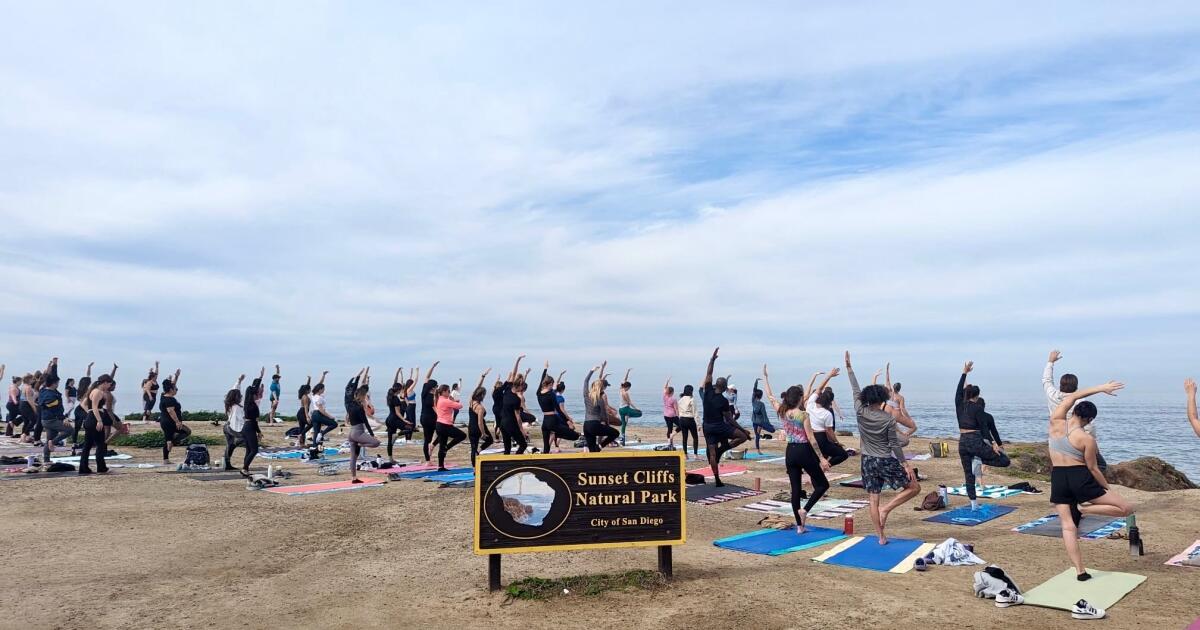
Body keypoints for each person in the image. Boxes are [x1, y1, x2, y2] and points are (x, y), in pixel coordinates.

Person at [1047, 379, 1132, 592]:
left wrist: (1100, 388)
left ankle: (1080, 571)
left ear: (1074, 411)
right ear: (1090, 419)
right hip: (1079, 478)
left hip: (1058, 477)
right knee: (1126, 509)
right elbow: (1093, 469)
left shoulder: (1055, 421)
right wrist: (1108, 490)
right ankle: (1083, 509)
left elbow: (1074, 395)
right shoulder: (1086, 439)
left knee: (1068, 527)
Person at [845, 351, 921, 544]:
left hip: (867, 460)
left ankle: (881, 537)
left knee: (873, 498)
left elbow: (854, 389)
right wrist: (905, 464)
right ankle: (886, 510)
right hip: (884, 459)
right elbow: (895, 444)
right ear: (883, 400)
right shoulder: (887, 418)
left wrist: (849, 368)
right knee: (914, 487)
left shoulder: (860, 412)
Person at [763, 365, 837, 532]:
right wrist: (822, 458)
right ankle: (805, 510)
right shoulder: (803, 415)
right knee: (822, 485)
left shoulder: (782, 411)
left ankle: (799, 526)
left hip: (790, 452)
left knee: (795, 489)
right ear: (799, 399)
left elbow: (770, 397)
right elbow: (811, 438)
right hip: (803, 451)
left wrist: (765, 378)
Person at [955, 362, 1012, 510]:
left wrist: (964, 372)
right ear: (977, 396)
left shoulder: (959, 405)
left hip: (962, 442)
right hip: (975, 441)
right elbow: (985, 430)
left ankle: (974, 504)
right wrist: (993, 443)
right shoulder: (978, 408)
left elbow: (958, 391)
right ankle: (979, 459)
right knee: (1005, 460)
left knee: (968, 474)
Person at [1044, 350, 1108, 471]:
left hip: (1057, 435)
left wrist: (1050, 362)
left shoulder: (1052, 394)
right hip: (1076, 437)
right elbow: (1089, 426)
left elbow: (1047, 380)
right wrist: (1094, 445)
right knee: (1100, 466)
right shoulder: (1079, 402)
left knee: (1062, 464)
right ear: (1076, 386)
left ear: (1060, 385)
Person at [701, 348, 748, 486]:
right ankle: (722, 449)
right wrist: (743, 430)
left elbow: (709, 372)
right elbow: (730, 420)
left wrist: (712, 359)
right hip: (719, 427)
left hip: (707, 427)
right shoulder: (723, 401)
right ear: (725, 387)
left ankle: (717, 480)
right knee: (742, 437)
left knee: (712, 454)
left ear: (716, 384)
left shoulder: (707, 391)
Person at [345, 368, 381, 482]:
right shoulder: (359, 407)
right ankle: (360, 444)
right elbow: (365, 421)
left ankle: (353, 478)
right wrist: (372, 435)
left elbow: (349, 388)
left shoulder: (349, 404)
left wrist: (358, 377)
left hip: (351, 433)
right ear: (363, 396)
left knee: (353, 457)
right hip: (358, 433)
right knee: (376, 443)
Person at [78, 374, 116, 475]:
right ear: (105, 382)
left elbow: (83, 404)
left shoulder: (92, 390)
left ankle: (84, 468)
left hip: (90, 419)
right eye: (109, 384)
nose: (109, 386)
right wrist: (99, 420)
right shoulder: (98, 392)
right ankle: (101, 467)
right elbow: (95, 407)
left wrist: (90, 413)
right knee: (100, 444)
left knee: (88, 445)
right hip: (94, 420)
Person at [37, 362, 71, 465]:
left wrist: (54, 366)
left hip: (45, 419)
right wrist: (63, 418)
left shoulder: (43, 389)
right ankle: (53, 442)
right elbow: (56, 409)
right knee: (70, 430)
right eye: (57, 383)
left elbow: (49, 377)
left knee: (49, 438)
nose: (58, 384)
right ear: (54, 383)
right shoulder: (51, 395)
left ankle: (46, 460)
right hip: (51, 420)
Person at [583, 363, 620, 452]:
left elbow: (585, 381)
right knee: (615, 433)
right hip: (595, 425)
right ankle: (600, 446)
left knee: (592, 451)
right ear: (601, 389)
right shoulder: (600, 399)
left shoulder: (586, 395)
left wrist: (592, 370)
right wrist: (607, 426)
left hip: (586, 426)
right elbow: (604, 416)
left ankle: (593, 461)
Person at [158, 368, 191, 464]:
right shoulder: (170, 400)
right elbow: (171, 411)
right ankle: (172, 442)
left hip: (164, 422)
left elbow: (171, 385)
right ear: (171, 390)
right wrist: (177, 422)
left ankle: (166, 459)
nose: (177, 390)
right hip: (171, 422)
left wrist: (176, 376)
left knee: (168, 440)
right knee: (187, 431)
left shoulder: (163, 395)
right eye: (176, 389)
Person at [240, 368, 267, 477]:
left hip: (246, 427)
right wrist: (259, 432)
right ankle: (244, 468)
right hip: (250, 427)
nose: (258, 393)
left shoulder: (247, 403)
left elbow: (253, 387)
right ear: (254, 394)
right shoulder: (253, 406)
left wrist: (260, 377)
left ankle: (245, 469)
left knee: (249, 450)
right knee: (254, 450)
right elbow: (254, 422)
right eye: (257, 392)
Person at [433, 383, 466, 470]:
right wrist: (453, 400)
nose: (449, 392)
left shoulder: (439, 399)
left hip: (439, 425)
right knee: (462, 435)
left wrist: (450, 399)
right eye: (448, 391)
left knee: (442, 446)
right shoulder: (445, 400)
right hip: (445, 425)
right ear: (443, 392)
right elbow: (459, 406)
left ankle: (441, 466)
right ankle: (447, 447)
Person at [468, 370, 495, 466]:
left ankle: (474, 468)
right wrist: (483, 433)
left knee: (473, 447)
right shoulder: (480, 408)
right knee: (490, 440)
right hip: (478, 428)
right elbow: (480, 423)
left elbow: (477, 388)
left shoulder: (471, 401)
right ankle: (478, 451)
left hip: (471, 427)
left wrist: (483, 376)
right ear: (482, 395)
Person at [384, 368, 411, 463]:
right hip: (394, 420)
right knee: (410, 428)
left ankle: (391, 459)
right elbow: (397, 413)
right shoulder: (395, 399)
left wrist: (397, 373)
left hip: (389, 420)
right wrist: (404, 420)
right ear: (399, 390)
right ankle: (397, 435)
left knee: (389, 441)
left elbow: (394, 383)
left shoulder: (390, 395)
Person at [419, 361, 441, 463]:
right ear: (433, 387)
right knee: (441, 434)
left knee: (426, 439)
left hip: (423, 418)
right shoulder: (430, 397)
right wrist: (442, 417)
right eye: (436, 386)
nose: (437, 387)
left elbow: (426, 377)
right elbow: (435, 410)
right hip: (430, 419)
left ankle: (428, 460)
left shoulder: (424, 391)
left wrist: (432, 366)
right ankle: (432, 446)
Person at [222, 376, 246, 471]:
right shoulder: (237, 407)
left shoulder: (230, 403)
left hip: (226, 427)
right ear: (237, 397)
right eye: (240, 396)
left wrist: (239, 381)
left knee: (229, 445)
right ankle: (227, 462)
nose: (241, 397)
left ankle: (227, 464)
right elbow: (240, 421)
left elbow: (234, 390)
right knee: (244, 439)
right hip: (232, 428)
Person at [309, 379, 338, 449]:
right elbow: (321, 410)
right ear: (320, 390)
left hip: (314, 415)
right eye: (323, 389)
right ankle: (322, 434)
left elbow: (318, 384)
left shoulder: (313, 395)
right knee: (334, 424)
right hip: (318, 414)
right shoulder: (319, 398)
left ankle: (314, 446)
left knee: (316, 431)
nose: (324, 390)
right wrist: (330, 416)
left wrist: (324, 376)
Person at [750, 378, 776, 453]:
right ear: (761, 396)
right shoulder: (761, 404)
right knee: (773, 430)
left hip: (754, 422)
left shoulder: (753, 401)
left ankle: (758, 450)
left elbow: (754, 390)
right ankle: (761, 428)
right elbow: (765, 415)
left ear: (755, 396)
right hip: (760, 423)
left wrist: (756, 382)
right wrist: (769, 424)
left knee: (757, 435)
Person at [617, 370, 643, 446]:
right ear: (628, 387)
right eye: (629, 388)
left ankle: (623, 439)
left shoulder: (621, 389)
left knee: (623, 424)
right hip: (626, 409)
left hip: (620, 410)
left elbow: (624, 380)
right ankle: (628, 415)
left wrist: (627, 372)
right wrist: (637, 409)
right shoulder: (625, 393)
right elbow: (630, 403)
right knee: (640, 413)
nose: (629, 389)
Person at [676, 384, 700, 459]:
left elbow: (679, 411)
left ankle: (685, 455)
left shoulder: (680, 400)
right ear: (691, 391)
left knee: (684, 438)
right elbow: (695, 413)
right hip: (690, 420)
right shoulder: (692, 400)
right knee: (695, 437)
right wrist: (699, 424)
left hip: (682, 419)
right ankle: (695, 455)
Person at [661, 379, 679, 449]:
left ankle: (670, 444)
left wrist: (667, 381)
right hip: (672, 415)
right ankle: (672, 436)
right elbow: (676, 409)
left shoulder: (664, 396)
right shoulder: (673, 399)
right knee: (681, 426)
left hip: (666, 415)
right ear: (672, 392)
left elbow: (664, 388)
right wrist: (678, 416)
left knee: (669, 429)